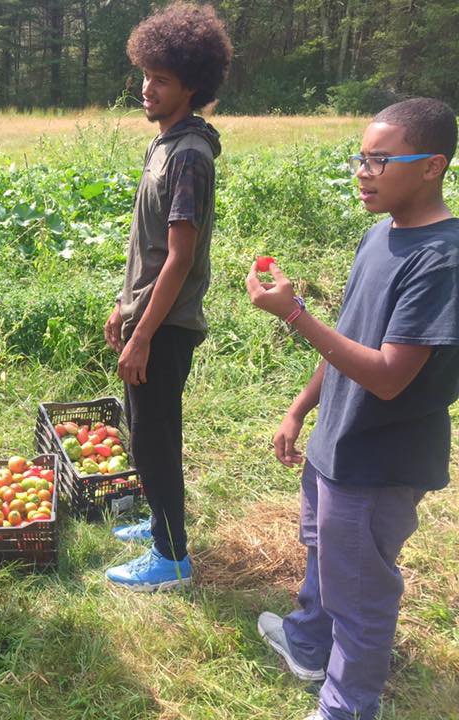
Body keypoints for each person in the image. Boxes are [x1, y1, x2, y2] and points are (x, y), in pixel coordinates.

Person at [247, 98, 459, 720]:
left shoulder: (442, 260)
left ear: (432, 167)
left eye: (379, 159)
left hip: (377, 456)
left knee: (361, 588)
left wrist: (292, 313)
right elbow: (353, 338)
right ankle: (309, 643)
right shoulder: (382, 234)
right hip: (338, 439)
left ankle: (347, 705)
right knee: (323, 549)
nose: (362, 172)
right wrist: (301, 407)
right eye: (360, 158)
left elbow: (391, 377)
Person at [104, 2, 232, 591]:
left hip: (168, 324)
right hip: (147, 314)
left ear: (191, 86)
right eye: (146, 76)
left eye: (163, 80)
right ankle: (158, 520)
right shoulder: (166, 144)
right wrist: (123, 308)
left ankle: (171, 556)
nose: (147, 89)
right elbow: (151, 247)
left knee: (157, 436)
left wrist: (146, 333)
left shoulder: (188, 156)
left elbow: (180, 258)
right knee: (142, 429)